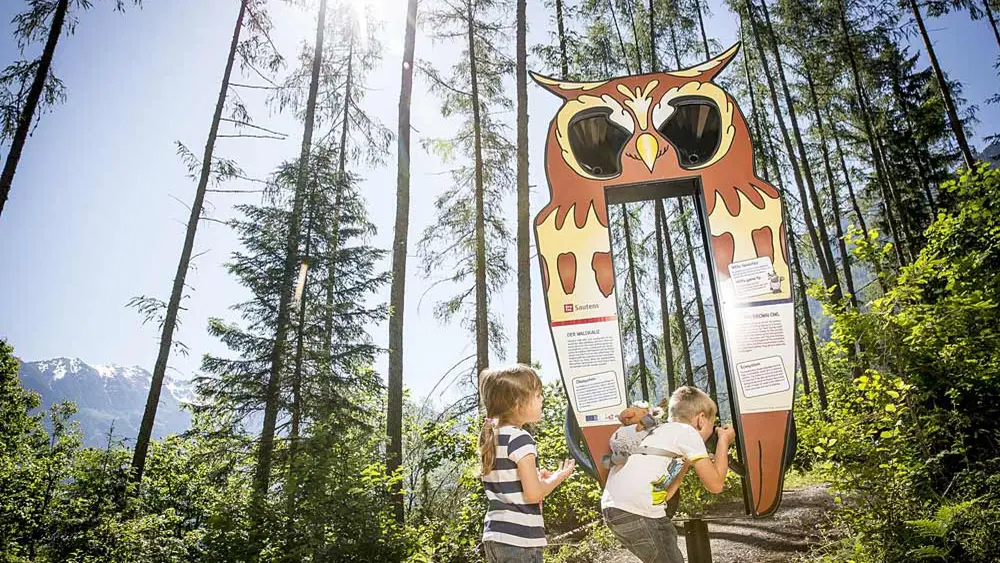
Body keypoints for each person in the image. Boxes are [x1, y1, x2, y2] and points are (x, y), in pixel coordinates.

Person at [601, 386, 736, 563]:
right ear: (701, 420)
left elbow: (663, 496)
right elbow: (716, 485)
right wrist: (724, 440)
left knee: (666, 542)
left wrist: (685, 465)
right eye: (712, 425)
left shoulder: (659, 431)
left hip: (616, 509)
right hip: (638, 512)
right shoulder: (687, 431)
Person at [479, 365, 576, 563]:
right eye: (538, 394)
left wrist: (538, 479)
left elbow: (509, 485)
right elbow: (533, 495)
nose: (542, 399)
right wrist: (558, 477)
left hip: (494, 537)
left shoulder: (493, 437)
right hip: (520, 541)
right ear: (517, 403)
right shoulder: (521, 439)